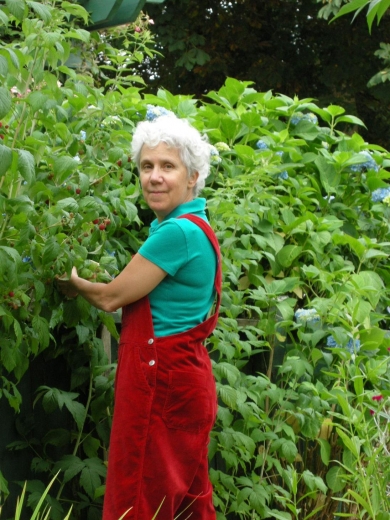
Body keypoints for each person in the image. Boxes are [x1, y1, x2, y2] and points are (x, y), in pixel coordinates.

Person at [57, 113, 222, 520]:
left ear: (193, 176)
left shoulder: (177, 233)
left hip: (160, 383)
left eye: (168, 166)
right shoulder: (193, 228)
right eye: (147, 166)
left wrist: (72, 282)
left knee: (139, 502)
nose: (154, 177)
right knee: (186, 506)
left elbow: (112, 296)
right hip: (184, 381)